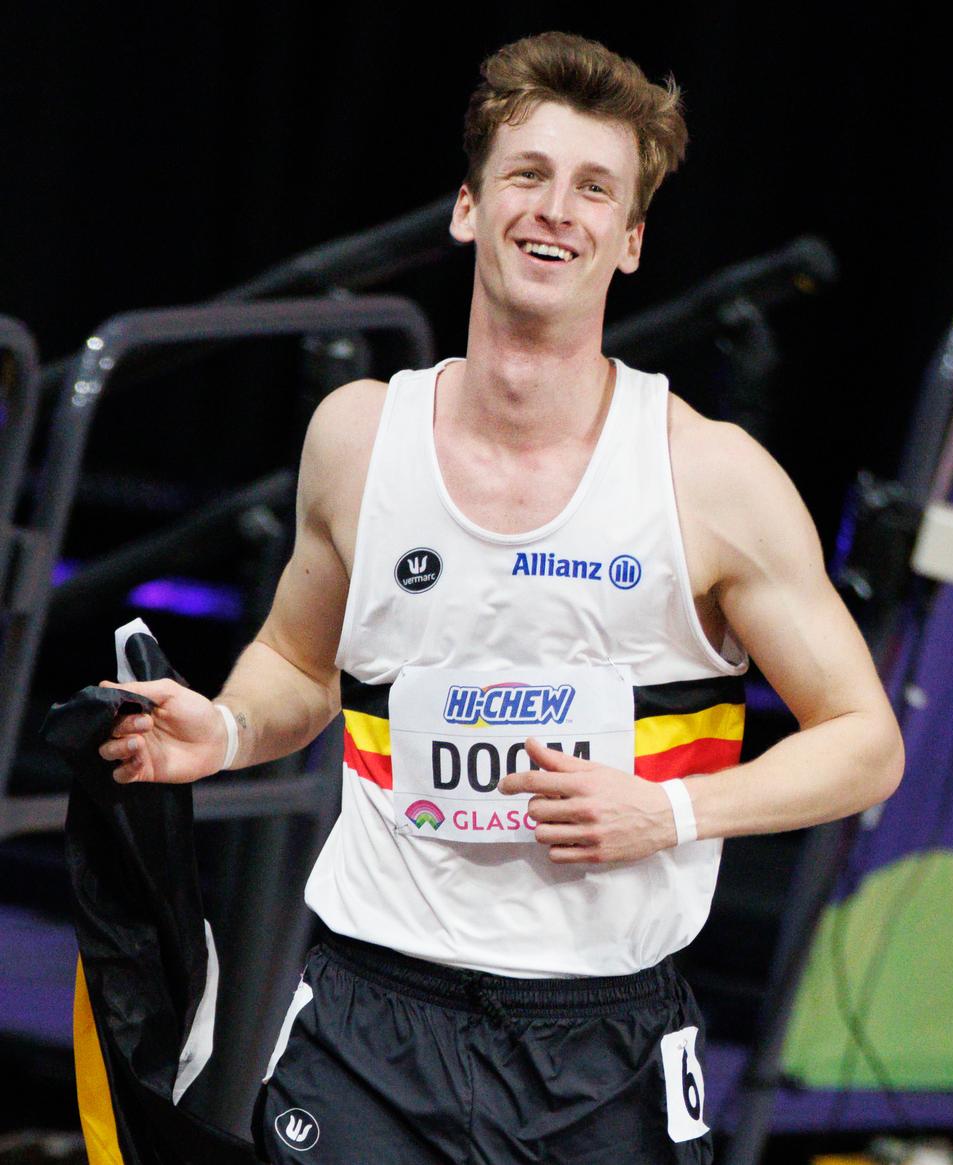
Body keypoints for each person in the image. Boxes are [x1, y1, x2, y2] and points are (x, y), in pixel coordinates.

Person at [96, 30, 903, 1164]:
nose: (553, 210)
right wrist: (225, 729)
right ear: (469, 208)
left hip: (600, 1045)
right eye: (526, 175)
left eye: (593, 190)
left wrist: (669, 813)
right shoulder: (359, 438)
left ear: (628, 242)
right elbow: (296, 661)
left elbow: (866, 742)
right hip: (370, 1022)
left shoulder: (710, 478)